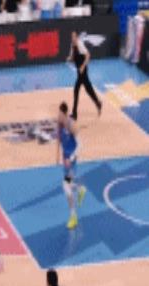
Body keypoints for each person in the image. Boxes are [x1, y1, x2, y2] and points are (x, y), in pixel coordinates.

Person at [57, 101, 87, 230]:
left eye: (59, 113)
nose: (57, 116)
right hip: (66, 161)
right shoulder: (60, 124)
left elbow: (81, 145)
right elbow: (61, 141)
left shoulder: (72, 125)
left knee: (66, 186)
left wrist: (71, 158)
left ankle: (73, 217)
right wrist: (61, 157)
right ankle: (80, 189)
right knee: (67, 185)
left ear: (64, 114)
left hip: (72, 162)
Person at [67, 31, 102, 120]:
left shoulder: (80, 44)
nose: (73, 39)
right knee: (88, 88)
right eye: (72, 37)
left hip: (83, 70)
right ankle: (98, 103)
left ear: (77, 37)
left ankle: (75, 114)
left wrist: (82, 66)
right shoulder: (72, 45)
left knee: (77, 90)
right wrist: (69, 58)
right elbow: (73, 57)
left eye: (74, 37)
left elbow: (88, 55)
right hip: (79, 71)